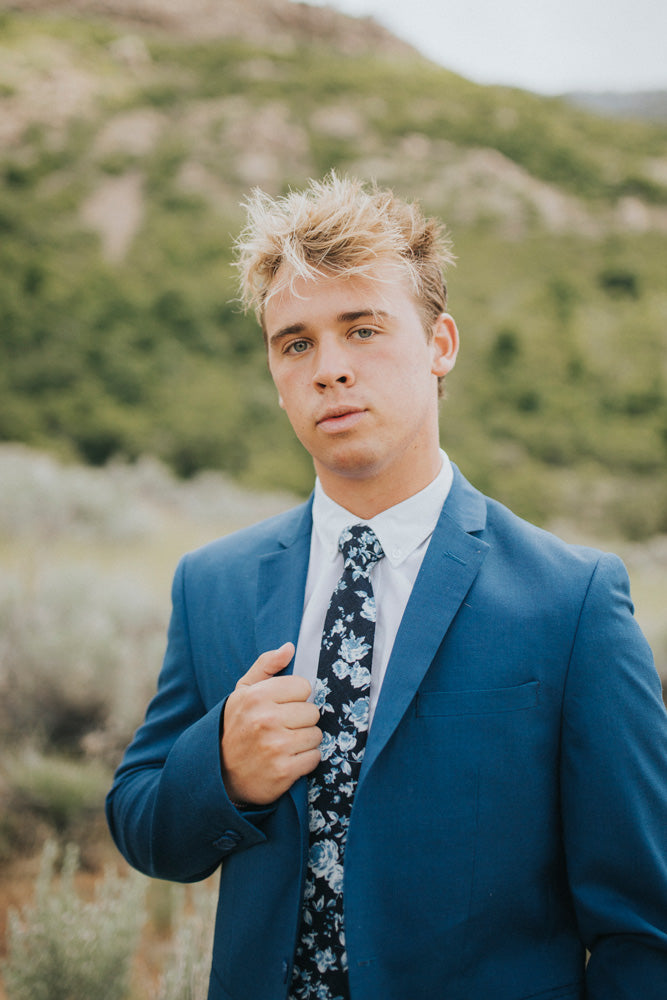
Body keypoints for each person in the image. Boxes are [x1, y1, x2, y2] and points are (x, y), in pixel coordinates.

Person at [106, 174, 667, 1000]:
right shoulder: (212, 583)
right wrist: (220, 768)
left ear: (439, 345)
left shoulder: (570, 600)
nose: (329, 368)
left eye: (362, 329)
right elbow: (144, 826)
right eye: (295, 342)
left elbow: (643, 928)